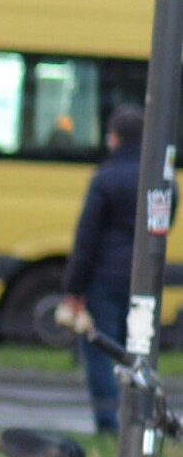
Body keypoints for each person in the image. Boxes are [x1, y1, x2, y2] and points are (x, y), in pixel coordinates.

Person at [64, 104, 145, 435]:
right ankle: (136, 423)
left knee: (100, 349)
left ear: (115, 138)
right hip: (143, 280)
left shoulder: (105, 178)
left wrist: (73, 287)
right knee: (137, 350)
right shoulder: (161, 179)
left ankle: (108, 422)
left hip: (104, 277)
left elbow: (87, 238)